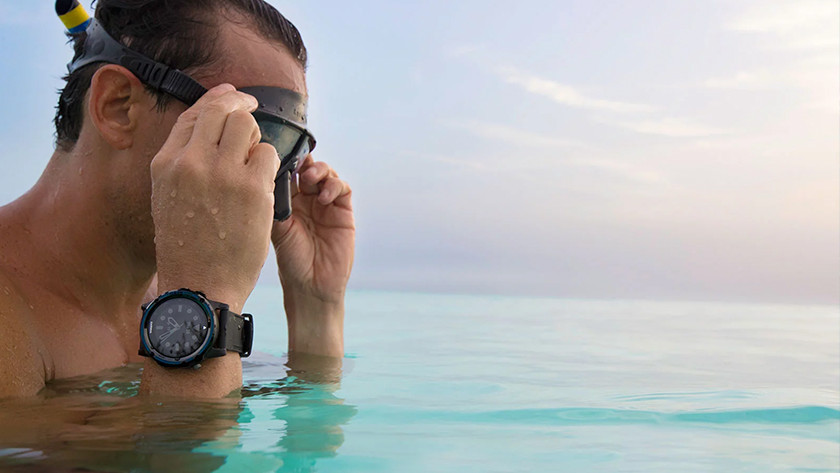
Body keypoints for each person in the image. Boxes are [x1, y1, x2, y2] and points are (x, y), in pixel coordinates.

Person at [0, 0, 354, 398]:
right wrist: (204, 296)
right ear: (118, 107)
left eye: (288, 151)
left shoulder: (156, 299)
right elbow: (186, 460)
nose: (266, 183)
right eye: (248, 130)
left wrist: (316, 306)